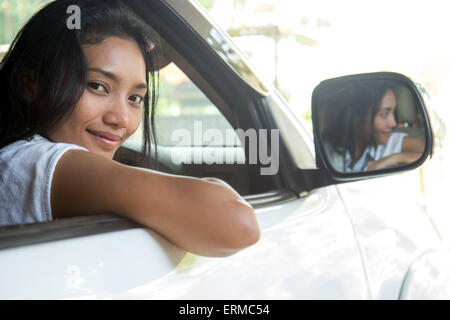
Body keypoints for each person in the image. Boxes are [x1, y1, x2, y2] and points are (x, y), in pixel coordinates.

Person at [0, 0, 260, 257]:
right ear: (30, 85)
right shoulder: (35, 162)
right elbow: (239, 223)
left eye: (134, 98)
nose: (121, 118)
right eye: (98, 86)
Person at [322, 81, 425, 172]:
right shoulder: (327, 150)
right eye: (384, 114)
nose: (393, 123)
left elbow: (428, 153)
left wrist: (395, 158)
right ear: (358, 116)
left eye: (394, 112)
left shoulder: (391, 142)